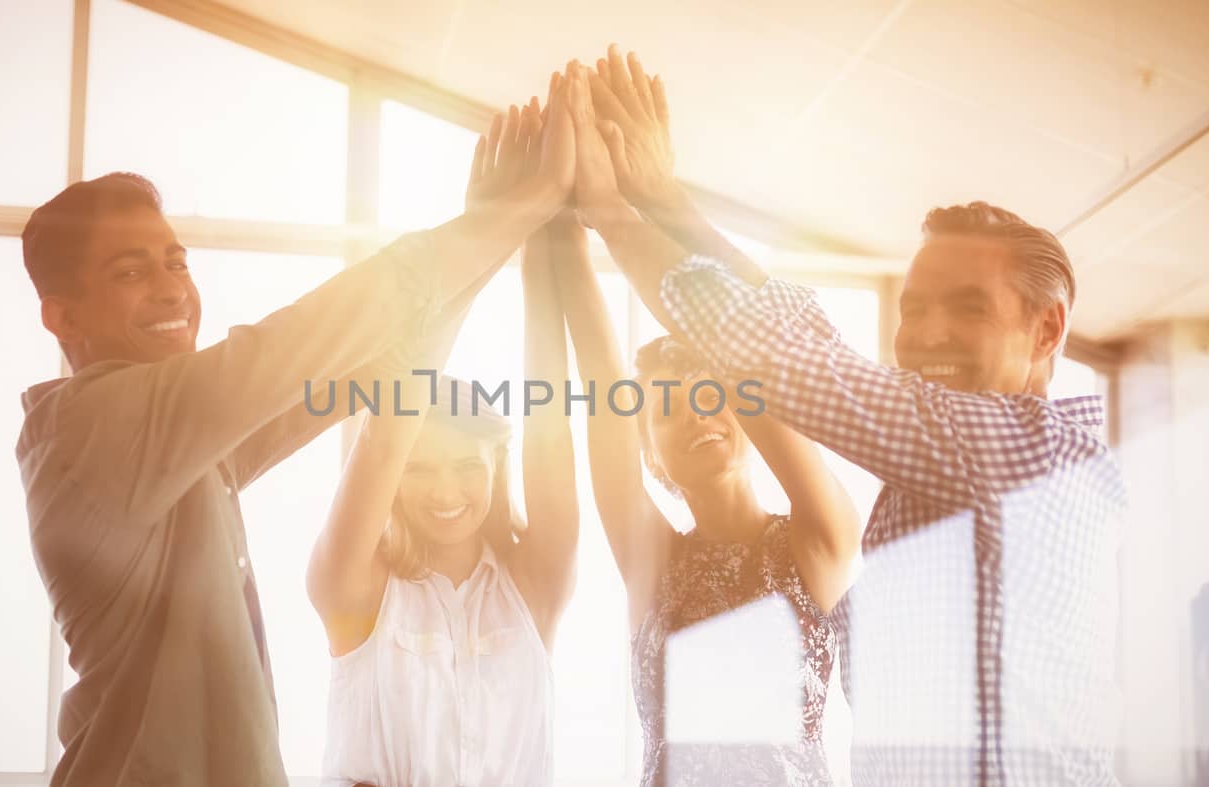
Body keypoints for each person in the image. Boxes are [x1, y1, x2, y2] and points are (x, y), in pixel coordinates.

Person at [565, 47, 1127, 786]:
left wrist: (611, 215)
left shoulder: (1026, 452)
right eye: (914, 307)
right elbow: (808, 336)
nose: (926, 336)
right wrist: (665, 202)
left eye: (968, 309)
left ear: (1048, 331)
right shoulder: (940, 469)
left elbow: (787, 360)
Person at [13, 82, 575, 786]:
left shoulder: (181, 449)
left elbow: (382, 370)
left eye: (176, 261)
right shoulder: (98, 429)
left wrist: (489, 233)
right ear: (64, 320)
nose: (171, 288)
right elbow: (318, 333)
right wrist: (524, 203)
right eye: (130, 271)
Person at [549, 97, 857, 786]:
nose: (697, 414)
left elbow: (751, 350)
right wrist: (566, 227)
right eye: (667, 407)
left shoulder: (819, 535)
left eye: (712, 392)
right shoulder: (650, 559)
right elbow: (602, 390)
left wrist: (643, 203)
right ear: (650, 455)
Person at [311, 89, 581, 787]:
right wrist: (484, 230)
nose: (448, 490)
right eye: (421, 468)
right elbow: (388, 420)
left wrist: (542, 235)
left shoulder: (534, 580)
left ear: (498, 458)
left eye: (467, 463)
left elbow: (551, 420)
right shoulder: (353, 584)